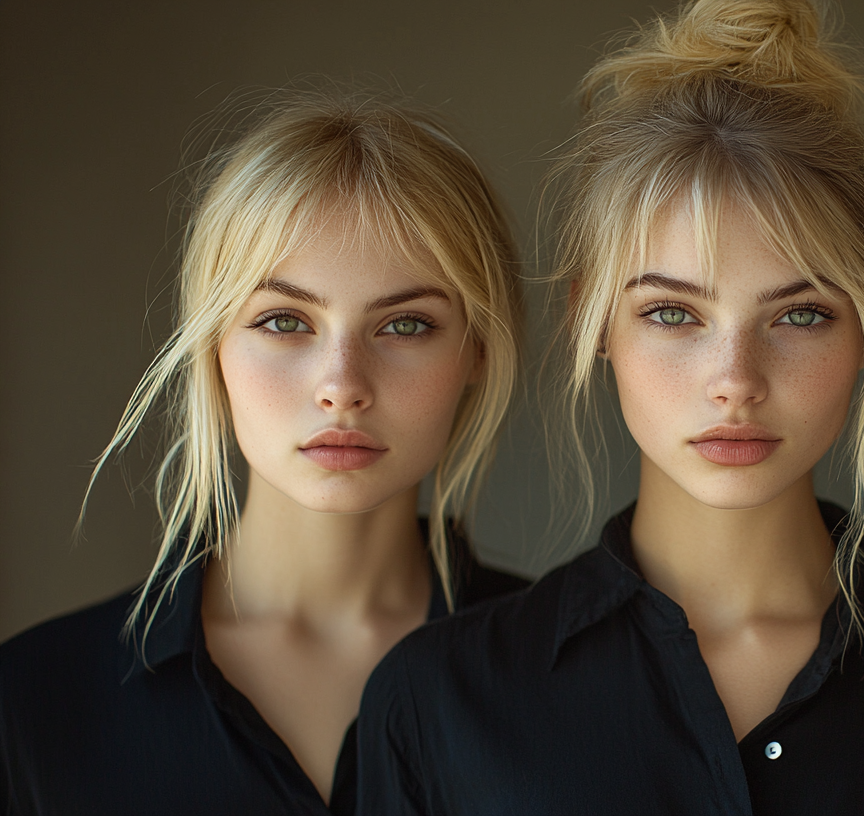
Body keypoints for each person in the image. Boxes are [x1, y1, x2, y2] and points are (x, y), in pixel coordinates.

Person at [358, 2, 864, 813]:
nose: (735, 380)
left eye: (798, 315)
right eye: (673, 313)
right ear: (591, 320)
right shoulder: (439, 702)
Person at [0, 89, 528, 815]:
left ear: (476, 349)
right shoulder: (31, 701)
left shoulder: (576, 677)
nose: (342, 387)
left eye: (406, 325)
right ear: (212, 346)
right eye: (284, 320)